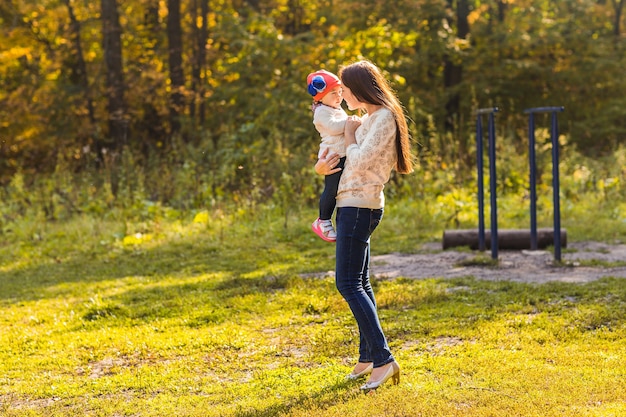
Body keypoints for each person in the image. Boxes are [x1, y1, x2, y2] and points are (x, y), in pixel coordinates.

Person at [314, 60, 414, 391]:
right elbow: (342, 162)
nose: (342, 93)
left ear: (360, 88)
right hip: (351, 203)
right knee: (359, 281)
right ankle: (368, 357)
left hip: (360, 205)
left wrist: (349, 134)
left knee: (347, 283)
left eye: (346, 87)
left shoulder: (383, 117)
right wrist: (322, 167)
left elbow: (362, 160)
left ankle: (384, 360)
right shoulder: (371, 117)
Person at [306, 69, 352, 242]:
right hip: (333, 156)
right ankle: (323, 220)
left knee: (340, 189)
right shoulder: (321, 112)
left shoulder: (336, 108)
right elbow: (334, 127)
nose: (338, 96)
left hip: (342, 154)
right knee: (331, 189)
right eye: (333, 93)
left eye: (340, 92)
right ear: (320, 96)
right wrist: (351, 122)